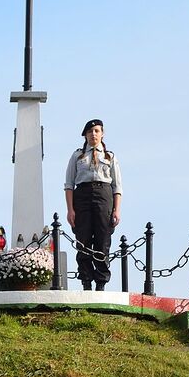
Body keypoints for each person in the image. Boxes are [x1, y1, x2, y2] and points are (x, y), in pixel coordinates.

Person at [64, 119, 122, 291]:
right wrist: (70, 210)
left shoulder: (109, 156)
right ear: (85, 135)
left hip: (103, 196)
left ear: (102, 133)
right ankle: (86, 280)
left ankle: (101, 282)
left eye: (97, 131)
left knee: (103, 239)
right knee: (83, 239)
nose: (93, 134)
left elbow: (117, 186)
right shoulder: (77, 156)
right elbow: (69, 184)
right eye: (90, 131)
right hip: (82, 196)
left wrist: (117, 210)